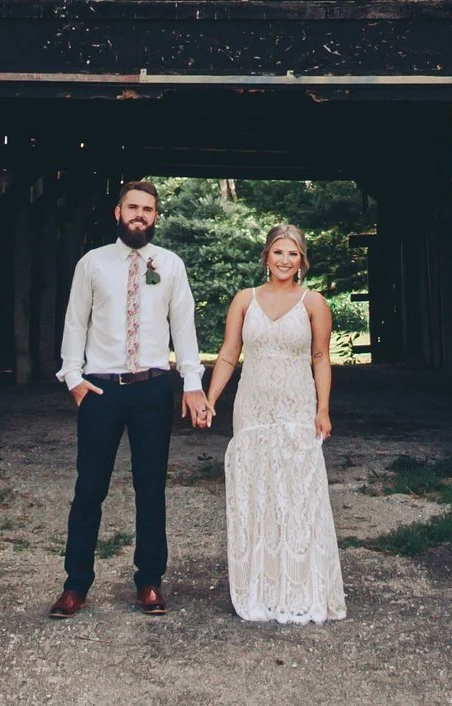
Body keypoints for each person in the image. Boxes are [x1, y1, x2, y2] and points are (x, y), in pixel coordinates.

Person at [50, 179, 212, 619]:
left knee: (150, 486)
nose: (140, 215)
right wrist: (73, 378)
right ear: (117, 213)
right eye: (132, 207)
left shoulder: (171, 264)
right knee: (90, 487)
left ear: (155, 217)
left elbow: (184, 326)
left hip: (153, 388)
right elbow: (74, 323)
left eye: (148, 209)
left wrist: (192, 383)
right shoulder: (93, 263)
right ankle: (75, 584)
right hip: (100, 389)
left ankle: (149, 581)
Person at [204, 222, 347, 623]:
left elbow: (321, 357)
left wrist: (323, 409)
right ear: (266, 256)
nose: (285, 260)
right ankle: (260, 590)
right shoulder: (244, 300)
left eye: (293, 253)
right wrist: (212, 398)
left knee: (298, 494)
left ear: (302, 261)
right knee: (258, 492)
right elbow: (230, 352)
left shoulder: (314, 302)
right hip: (252, 406)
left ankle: (303, 587)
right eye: (279, 252)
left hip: (297, 405)